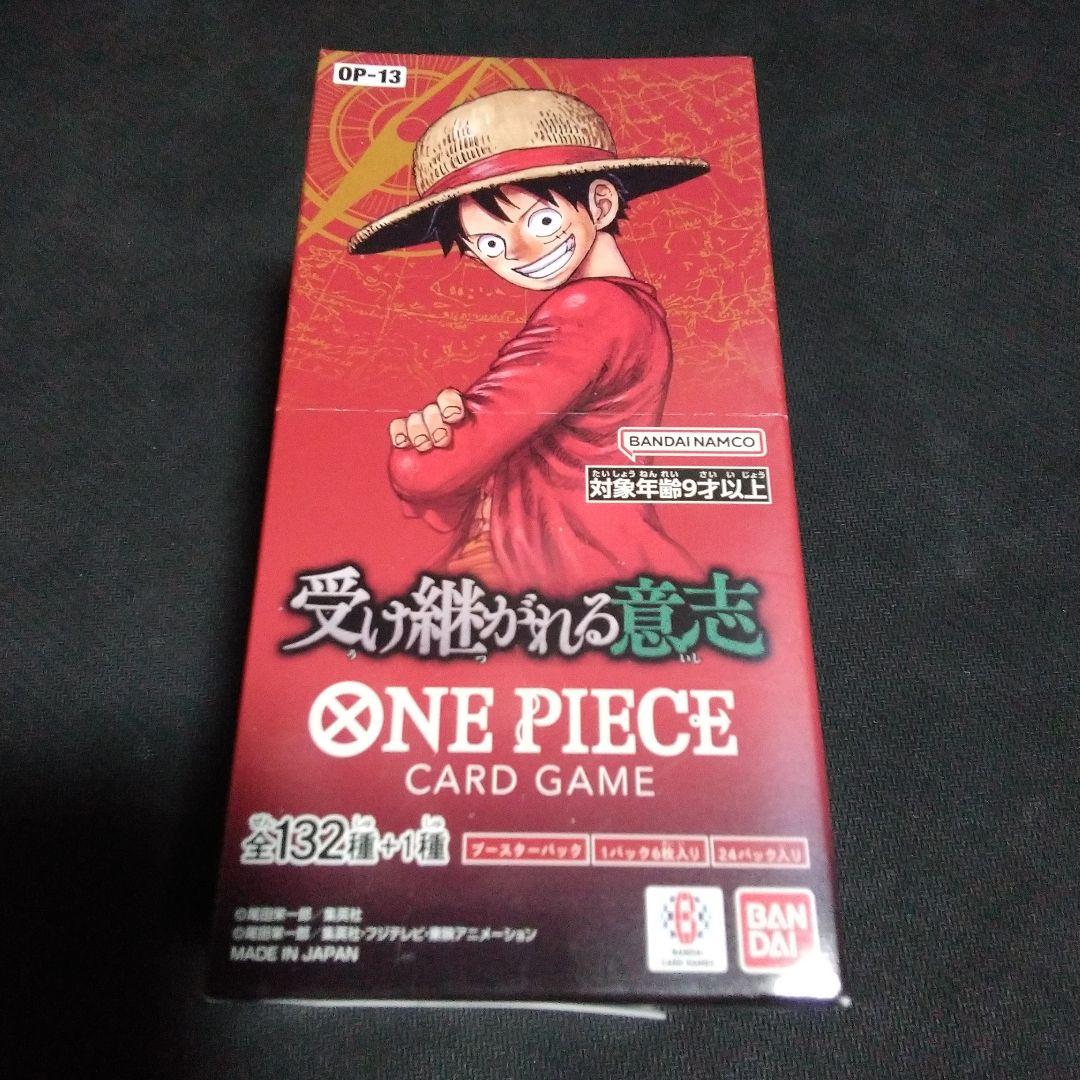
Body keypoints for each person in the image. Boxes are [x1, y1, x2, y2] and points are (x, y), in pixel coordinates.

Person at [349, 89, 710, 597]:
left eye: (542, 221)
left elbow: (430, 474)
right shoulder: (627, 308)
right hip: (555, 560)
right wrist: (443, 436)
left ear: (600, 203)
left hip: (554, 567)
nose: (519, 252)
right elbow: (477, 480)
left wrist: (420, 451)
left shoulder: (591, 310)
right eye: (490, 244)